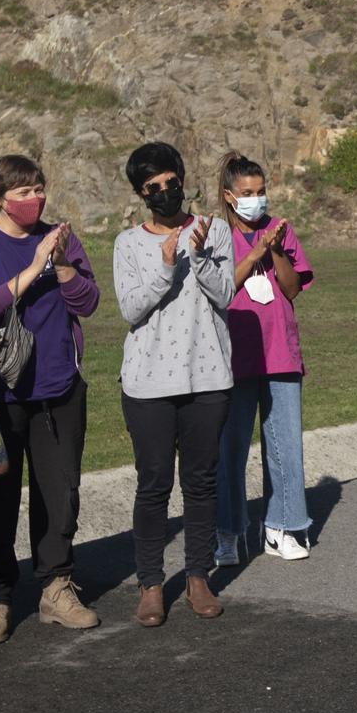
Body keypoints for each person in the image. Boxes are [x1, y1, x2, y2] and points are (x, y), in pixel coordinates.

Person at [0, 154, 101, 644]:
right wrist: (31, 268)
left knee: (61, 493)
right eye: (22, 193)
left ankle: (56, 587)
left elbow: (89, 303)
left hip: (59, 387)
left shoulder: (61, 238)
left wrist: (59, 269)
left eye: (39, 189)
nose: (34, 199)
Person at [113, 142, 235, 625]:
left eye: (171, 182)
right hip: (148, 384)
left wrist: (200, 257)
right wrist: (166, 266)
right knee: (154, 484)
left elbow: (226, 293)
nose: (165, 192)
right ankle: (149, 584)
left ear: (182, 180)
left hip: (207, 378)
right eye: (152, 188)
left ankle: (198, 577)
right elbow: (130, 308)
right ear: (141, 194)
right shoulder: (128, 243)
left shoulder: (215, 230)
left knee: (201, 483)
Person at [213, 153, 314, 567]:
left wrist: (274, 252)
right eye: (248, 194)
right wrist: (253, 255)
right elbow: (220, 289)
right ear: (229, 196)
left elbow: (290, 289)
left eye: (262, 192)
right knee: (230, 449)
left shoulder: (280, 232)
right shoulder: (217, 236)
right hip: (233, 358)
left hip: (280, 355)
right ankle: (228, 533)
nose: (257, 199)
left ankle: (282, 527)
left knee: (285, 447)